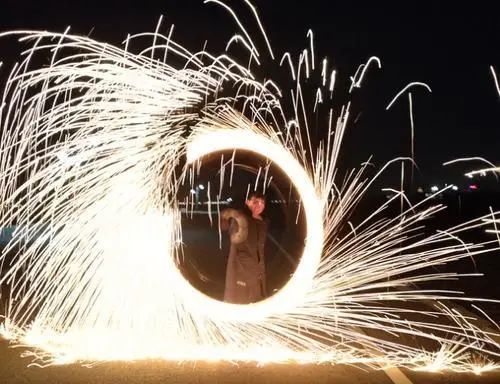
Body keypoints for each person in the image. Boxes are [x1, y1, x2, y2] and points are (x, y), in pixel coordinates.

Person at [220, 192, 268, 304]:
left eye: (262, 202)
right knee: (241, 302)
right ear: (247, 202)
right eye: (255, 201)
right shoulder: (241, 220)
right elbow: (238, 248)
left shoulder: (262, 221)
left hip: (257, 273)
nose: (259, 205)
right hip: (241, 273)